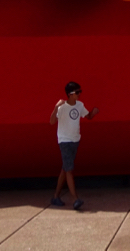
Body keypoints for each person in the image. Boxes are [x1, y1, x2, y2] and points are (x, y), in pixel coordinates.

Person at [50, 81, 99, 209]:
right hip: (64, 141)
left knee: (65, 168)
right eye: (77, 92)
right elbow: (52, 121)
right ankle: (75, 199)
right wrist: (56, 107)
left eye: (79, 92)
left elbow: (87, 116)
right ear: (70, 94)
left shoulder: (80, 105)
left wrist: (93, 113)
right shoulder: (62, 107)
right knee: (69, 170)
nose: (79, 94)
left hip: (75, 140)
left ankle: (56, 196)